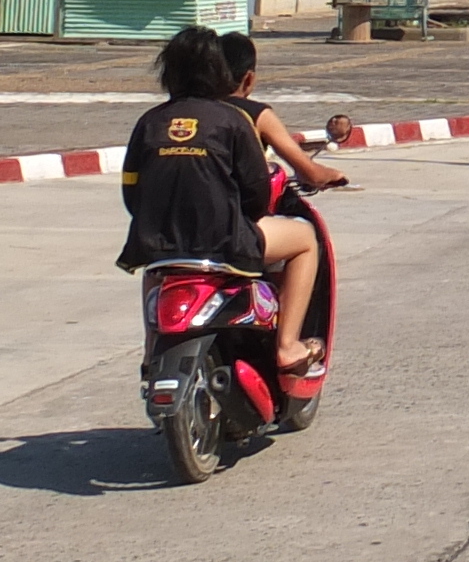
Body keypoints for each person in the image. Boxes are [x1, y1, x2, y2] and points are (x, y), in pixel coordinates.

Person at [117, 25, 320, 378]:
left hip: (157, 243)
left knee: (157, 270)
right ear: (219, 71)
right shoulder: (232, 120)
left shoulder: (149, 122)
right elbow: (256, 194)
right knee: (305, 241)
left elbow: (131, 192)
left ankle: (152, 353)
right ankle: (288, 347)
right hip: (224, 242)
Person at [213, 30, 347, 208]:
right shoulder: (257, 114)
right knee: (303, 232)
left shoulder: (177, 111)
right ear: (249, 78)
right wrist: (333, 175)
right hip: (233, 217)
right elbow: (311, 174)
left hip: (174, 214)